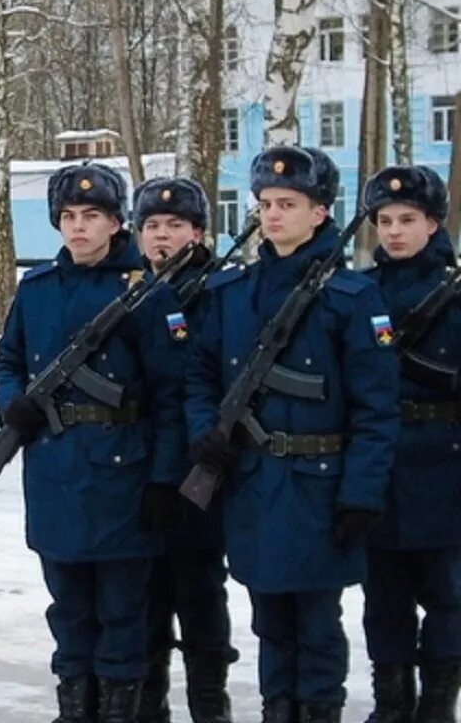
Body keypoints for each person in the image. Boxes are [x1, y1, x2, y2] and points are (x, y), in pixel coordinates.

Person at [185, 146, 399, 723]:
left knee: (317, 626)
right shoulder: (232, 293)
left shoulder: (350, 298)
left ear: (321, 213)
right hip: (251, 483)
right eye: (265, 204)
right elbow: (200, 375)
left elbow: (377, 410)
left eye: (288, 203)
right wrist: (206, 432)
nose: (272, 214)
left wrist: (361, 493)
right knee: (269, 621)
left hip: (318, 487)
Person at [0, 163, 189, 723]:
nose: (79, 228)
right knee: (70, 613)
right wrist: (13, 402)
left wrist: (162, 480)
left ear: (114, 222)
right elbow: (7, 358)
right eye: (69, 217)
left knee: (124, 616)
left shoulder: (146, 295)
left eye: (92, 216)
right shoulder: (36, 290)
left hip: (123, 476)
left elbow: (171, 397)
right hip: (55, 472)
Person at [359, 165, 461, 723]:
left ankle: (439, 705)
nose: (394, 231)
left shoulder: (454, 292)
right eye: (384, 221)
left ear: (433, 224)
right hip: (380, 464)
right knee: (384, 601)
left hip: (444, 464)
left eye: (407, 219)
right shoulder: (358, 292)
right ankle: (390, 704)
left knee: (448, 597)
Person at [133, 177, 235, 723]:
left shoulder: (221, 294)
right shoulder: (127, 293)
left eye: (175, 226)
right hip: (134, 472)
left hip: (199, 472)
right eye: (151, 226)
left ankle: (209, 707)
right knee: (144, 604)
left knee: (200, 598)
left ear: (198, 233)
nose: (162, 237)